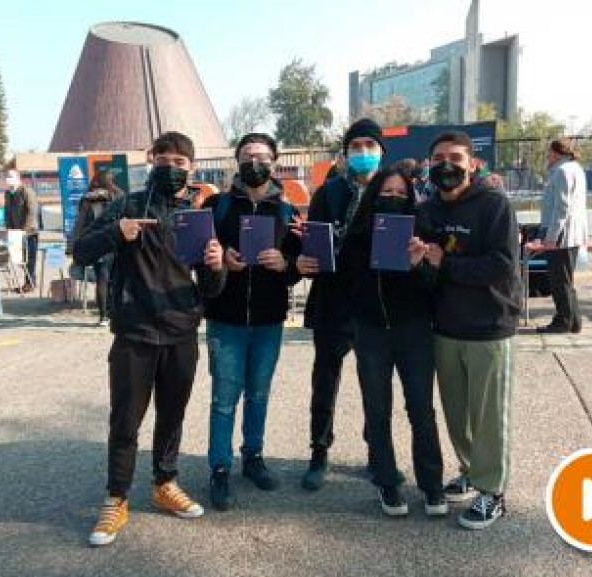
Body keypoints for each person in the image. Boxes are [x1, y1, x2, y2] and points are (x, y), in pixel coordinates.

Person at [73, 132, 226, 547]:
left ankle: (165, 483)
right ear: (151, 160)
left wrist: (216, 266)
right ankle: (116, 497)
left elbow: (211, 289)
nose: (170, 167)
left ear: (191, 168)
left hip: (181, 332)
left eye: (179, 162)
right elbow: (80, 251)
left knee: (172, 416)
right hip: (134, 332)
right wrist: (116, 232)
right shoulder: (125, 206)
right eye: (163, 159)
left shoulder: (196, 217)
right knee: (125, 420)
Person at [415, 131, 520, 530]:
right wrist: (419, 263)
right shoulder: (428, 211)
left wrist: (444, 263)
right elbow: (428, 269)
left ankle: (493, 490)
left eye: (455, 157)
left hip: (489, 326)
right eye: (438, 157)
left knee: (488, 416)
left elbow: (503, 265)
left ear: (473, 163)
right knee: (457, 413)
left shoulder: (494, 205)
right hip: (446, 327)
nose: (447, 164)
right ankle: (470, 470)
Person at [295, 117, 400, 491]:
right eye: (356, 147)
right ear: (345, 153)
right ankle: (319, 451)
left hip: (376, 303)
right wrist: (304, 260)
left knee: (376, 384)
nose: (363, 152)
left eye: (370, 146)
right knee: (325, 380)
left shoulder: (394, 190)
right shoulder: (328, 193)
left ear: (381, 152)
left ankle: (378, 454)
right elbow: (314, 244)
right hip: (333, 301)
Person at [339, 162, 446, 517]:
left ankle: (431, 485)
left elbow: (432, 287)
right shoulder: (358, 234)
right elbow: (346, 285)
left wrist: (418, 265)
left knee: (421, 409)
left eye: (401, 193)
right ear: (374, 195)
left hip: (413, 330)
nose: (394, 198)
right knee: (377, 409)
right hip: (371, 333)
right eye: (387, 192)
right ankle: (386, 481)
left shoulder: (422, 230)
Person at [201, 133, 302, 511]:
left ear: (274, 163)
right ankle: (220, 468)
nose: (254, 163)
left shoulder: (288, 212)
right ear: (237, 161)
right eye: (247, 156)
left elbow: (297, 267)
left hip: (268, 319)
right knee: (224, 398)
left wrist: (285, 264)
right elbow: (197, 255)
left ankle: (253, 457)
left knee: (259, 393)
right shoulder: (217, 206)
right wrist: (220, 259)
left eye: (261, 157)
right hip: (224, 318)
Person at [527, 138, 588, 334]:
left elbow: (562, 207)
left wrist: (552, 235)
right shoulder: (575, 168)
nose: (548, 156)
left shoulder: (562, 171)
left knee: (559, 281)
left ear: (556, 153)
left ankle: (563, 321)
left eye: (549, 153)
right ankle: (573, 320)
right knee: (565, 280)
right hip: (571, 234)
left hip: (562, 235)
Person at [73, 170, 124, 326]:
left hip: (96, 243)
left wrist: (75, 245)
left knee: (102, 279)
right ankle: (116, 313)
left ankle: (103, 316)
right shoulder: (119, 195)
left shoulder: (87, 198)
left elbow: (80, 224)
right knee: (117, 279)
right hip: (117, 241)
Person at [3, 170, 39, 292]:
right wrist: (9, 228)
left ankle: (30, 283)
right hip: (15, 232)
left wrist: (25, 230)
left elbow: (32, 211)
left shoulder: (26, 191)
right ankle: (28, 282)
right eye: (7, 176)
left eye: (11, 176)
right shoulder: (8, 193)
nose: (8, 179)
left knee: (30, 259)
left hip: (29, 232)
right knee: (20, 259)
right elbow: (7, 212)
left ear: (18, 178)